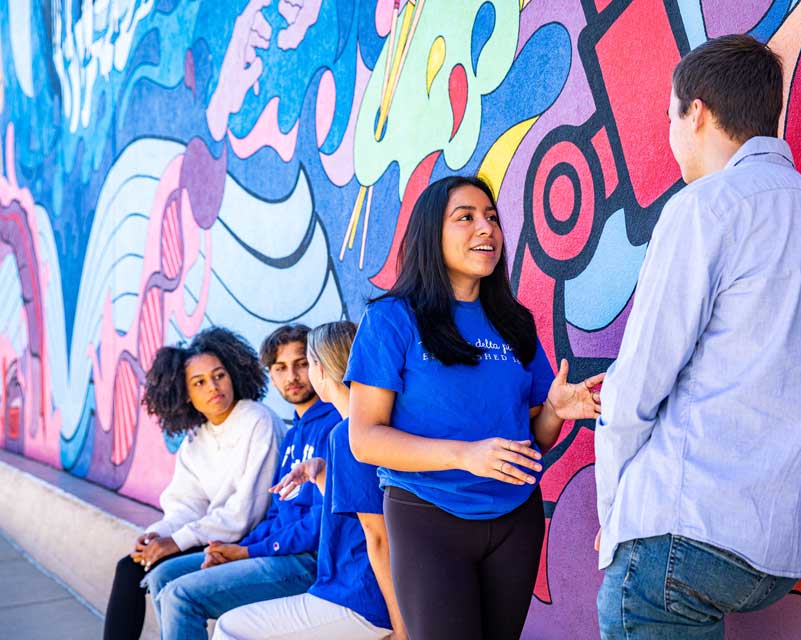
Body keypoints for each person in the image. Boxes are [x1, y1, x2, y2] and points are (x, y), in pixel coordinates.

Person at [593, 34, 801, 639]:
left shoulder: (706, 208)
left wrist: (612, 514)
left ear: (695, 112)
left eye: (670, 115)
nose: (670, 135)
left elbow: (638, 382)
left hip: (682, 534)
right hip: (783, 551)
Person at [346, 175, 604, 640]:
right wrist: (465, 455)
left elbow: (535, 438)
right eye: (465, 218)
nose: (486, 228)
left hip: (515, 520)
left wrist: (554, 412)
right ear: (431, 233)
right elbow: (364, 439)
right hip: (427, 516)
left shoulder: (513, 322)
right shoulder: (391, 320)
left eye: (491, 218)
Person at [141, 324, 341, 639]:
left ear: (318, 367)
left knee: (181, 597)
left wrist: (248, 552)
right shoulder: (293, 435)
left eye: (301, 364)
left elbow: (322, 522)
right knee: (161, 576)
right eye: (280, 368)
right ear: (271, 376)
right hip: (277, 552)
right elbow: (276, 514)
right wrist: (233, 548)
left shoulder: (333, 426)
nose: (292, 376)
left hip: (307, 563)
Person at [212, 321, 405, 640]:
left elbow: (379, 536)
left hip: (359, 600)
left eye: (305, 362)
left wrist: (402, 629)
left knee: (229, 628)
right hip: (348, 591)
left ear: (320, 369)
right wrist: (321, 473)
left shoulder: (347, 435)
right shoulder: (361, 431)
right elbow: (359, 513)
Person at [103, 326, 285, 640]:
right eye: (199, 382)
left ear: (233, 374)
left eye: (219, 375)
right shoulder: (195, 439)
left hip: (251, 539)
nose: (213, 387)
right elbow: (186, 505)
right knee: (131, 566)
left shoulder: (257, 420)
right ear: (186, 394)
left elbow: (245, 514)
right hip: (215, 534)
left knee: (158, 577)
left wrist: (176, 542)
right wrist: (157, 534)